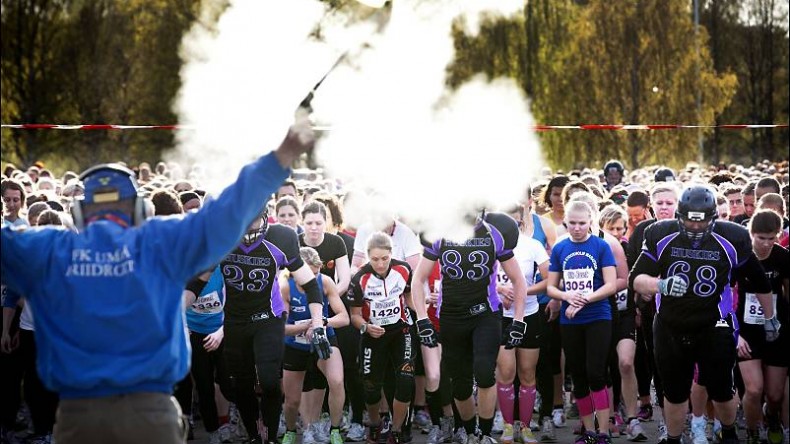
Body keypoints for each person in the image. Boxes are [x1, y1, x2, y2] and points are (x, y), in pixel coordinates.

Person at [0, 119, 319, 444]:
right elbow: (229, 210)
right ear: (140, 208)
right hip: (150, 415)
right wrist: (284, 152)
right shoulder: (160, 241)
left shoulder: (51, 249)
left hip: (78, 418)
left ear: (80, 213)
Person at [630, 185, 779, 444]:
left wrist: (769, 317)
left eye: (702, 221)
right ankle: (674, 439)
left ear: (713, 217)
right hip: (670, 324)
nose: (696, 228)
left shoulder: (733, 237)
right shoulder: (660, 233)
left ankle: (729, 433)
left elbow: (758, 281)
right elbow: (636, 278)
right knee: (674, 392)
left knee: (721, 389)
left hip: (715, 324)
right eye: (689, 220)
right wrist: (660, 285)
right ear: (679, 216)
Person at [411, 211, 529, 444]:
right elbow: (418, 279)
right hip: (452, 316)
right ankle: (471, 431)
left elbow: (518, 279)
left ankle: (485, 435)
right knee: (460, 383)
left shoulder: (494, 231)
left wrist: (519, 319)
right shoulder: (439, 232)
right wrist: (422, 318)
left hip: (485, 314)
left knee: (485, 373)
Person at [546, 200, 618, 444]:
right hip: (570, 319)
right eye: (572, 223)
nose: (577, 228)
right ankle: (588, 430)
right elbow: (550, 287)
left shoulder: (600, 245)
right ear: (566, 222)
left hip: (598, 316)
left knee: (596, 373)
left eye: (582, 223)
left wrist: (585, 299)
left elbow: (611, 284)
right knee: (578, 375)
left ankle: (604, 431)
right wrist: (567, 296)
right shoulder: (560, 247)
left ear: (591, 222)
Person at [349, 232, 415, 444]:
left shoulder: (403, 269)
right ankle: (376, 425)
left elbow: (409, 297)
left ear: (391, 254)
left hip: (401, 332)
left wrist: (422, 315)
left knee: (405, 382)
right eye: (375, 259)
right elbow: (355, 316)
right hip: (373, 336)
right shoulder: (359, 278)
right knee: (371, 387)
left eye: (385, 258)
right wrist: (367, 327)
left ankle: (396, 431)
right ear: (368, 256)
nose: (380, 264)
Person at [281, 247, 349, 444]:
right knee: (292, 400)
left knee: (336, 380)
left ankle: (334, 429)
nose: (312, 279)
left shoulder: (325, 282)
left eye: (316, 273)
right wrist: (306, 326)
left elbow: (343, 317)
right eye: (307, 274)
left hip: (324, 338)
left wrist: (322, 323)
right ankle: (292, 430)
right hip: (295, 343)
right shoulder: (286, 286)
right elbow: (281, 328)